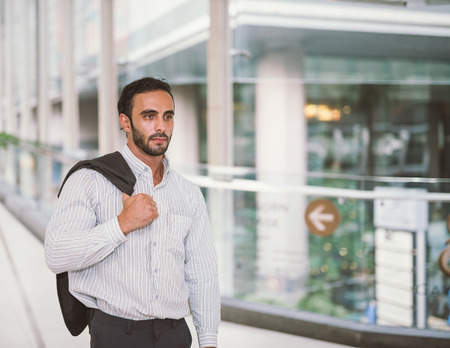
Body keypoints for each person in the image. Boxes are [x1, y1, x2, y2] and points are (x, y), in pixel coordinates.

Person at [45, 77, 220, 348]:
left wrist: (208, 339)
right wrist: (121, 224)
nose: (161, 126)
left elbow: (202, 272)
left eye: (168, 116)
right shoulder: (90, 180)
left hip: (175, 333)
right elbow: (56, 254)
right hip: (116, 332)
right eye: (149, 116)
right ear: (125, 122)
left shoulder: (188, 193)